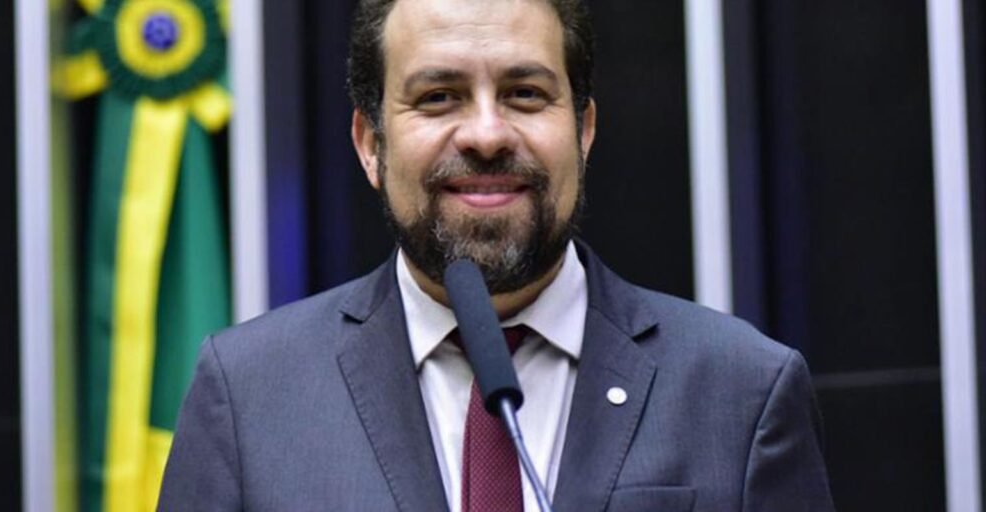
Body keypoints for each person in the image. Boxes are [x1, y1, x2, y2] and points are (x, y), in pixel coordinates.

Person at [158, 0, 835, 510]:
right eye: (438, 97)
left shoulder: (742, 393)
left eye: (525, 94)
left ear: (583, 129)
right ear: (370, 144)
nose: (486, 134)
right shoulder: (249, 394)